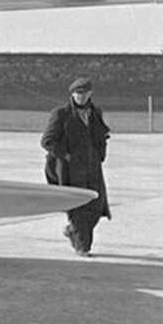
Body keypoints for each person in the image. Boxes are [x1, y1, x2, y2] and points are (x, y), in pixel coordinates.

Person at [42, 77, 111, 256]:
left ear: (90, 94)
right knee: (79, 207)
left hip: (93, 166)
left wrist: (100, 154)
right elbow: (47, 141)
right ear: (72, 95)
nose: (81, 97)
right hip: (71, 170)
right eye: (78, 93)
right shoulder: (61, 114)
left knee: (96, 206)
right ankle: (83, 246)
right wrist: (66, 156)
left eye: (85, 93)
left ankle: (73, 230)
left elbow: (102, 135)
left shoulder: (95, 113)